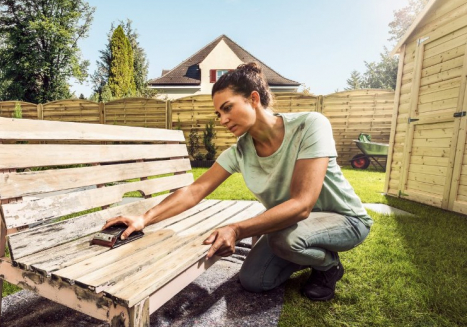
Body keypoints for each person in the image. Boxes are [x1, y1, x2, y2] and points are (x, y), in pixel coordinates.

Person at [103, 63, 372, 301]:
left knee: (284, 242)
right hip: (291, 226)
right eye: (218, 114)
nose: (222, 120)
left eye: (227, 108)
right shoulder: (239, 152)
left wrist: (236, 229)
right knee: (254, 280)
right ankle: (302, 252)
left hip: (344, 219)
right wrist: (144, 219)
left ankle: (328, 266)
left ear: (253, 98)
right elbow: (195, 190)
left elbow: (302, 205)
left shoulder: (310, 125)